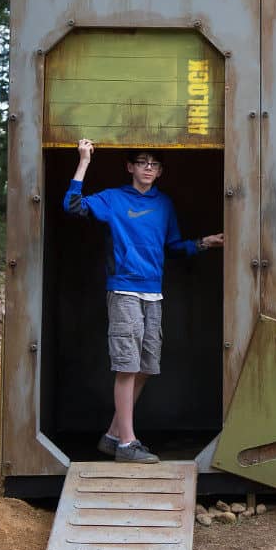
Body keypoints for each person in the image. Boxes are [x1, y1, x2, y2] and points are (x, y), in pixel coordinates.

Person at [63, 139, 223, 463]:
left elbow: (175, 245)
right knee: (127, 366)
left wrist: (205, 243)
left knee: (146, 367)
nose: (148, 168)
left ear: (160, 171)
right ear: (130, 167)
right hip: (124, 290)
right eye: (142, 162)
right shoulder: (113, 199)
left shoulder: (164, 204)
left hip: (154, 293)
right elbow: (73, 205)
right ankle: (127, 444)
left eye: (154, 164)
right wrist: (83, 160)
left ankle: (112, 436)